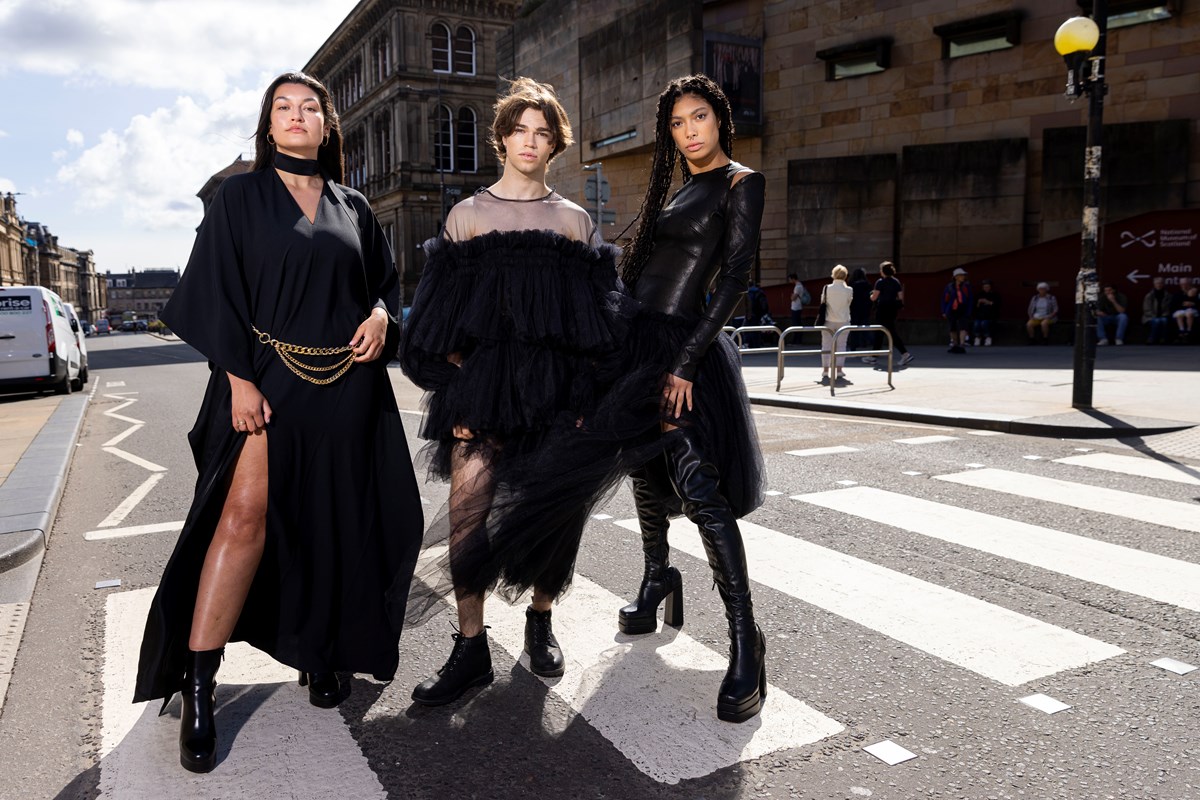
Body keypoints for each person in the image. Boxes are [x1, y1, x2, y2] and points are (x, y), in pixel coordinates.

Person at [134, 72, 423, 774]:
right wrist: (236, 378)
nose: (297, 117)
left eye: (310, 108)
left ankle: (320, 653)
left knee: (333, 521)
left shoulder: (354, 205)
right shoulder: (239, 197)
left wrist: (384, 316)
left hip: (347, 389)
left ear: (328, 126)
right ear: (269, 126)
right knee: (243, 520)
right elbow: (213, 291)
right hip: (262, 385)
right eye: (283, 108)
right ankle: (199, 684)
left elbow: (383, 284)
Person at [468, 74, 768, 723]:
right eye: (679, 124)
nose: (689, 132)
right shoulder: (682, 187)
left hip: (685, 353)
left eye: (700, 119)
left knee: (699, 485)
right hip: (635, 338)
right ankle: (657, 574)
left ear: (721, 120)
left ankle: (747, 639)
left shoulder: (743, 183)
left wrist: (685, 362)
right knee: (633, 465)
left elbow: (735, 278)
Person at [398, 78, 622, 707]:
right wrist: (466, 376)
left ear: (555, 144)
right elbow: (437, 316)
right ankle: (469, 646)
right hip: (484, 393)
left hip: (557, 391)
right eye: (520, 130)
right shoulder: (467, 216)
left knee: (554, 512)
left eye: (542, 132)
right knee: (469, 514)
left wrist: (589, 395)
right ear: (501, 138)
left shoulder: (574, 221)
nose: (530, 142)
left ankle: (541, 620)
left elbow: (597, 320)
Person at [868, 261, 913, 365]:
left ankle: (905, 354)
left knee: (888, 332)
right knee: (881, 332)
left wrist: (870, 295)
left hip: (882, 309)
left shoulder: (880, 282)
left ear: (883, 271)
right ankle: (873, 356)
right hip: (892, 310)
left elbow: (874, 297)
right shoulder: (896, 281)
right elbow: (900, 297)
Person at [819, 265, 853, 384]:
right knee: (841, 346)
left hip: (828, 320)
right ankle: (839, 370)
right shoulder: (849, 290)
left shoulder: (826, 288)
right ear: (845, 276)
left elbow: (823, 302)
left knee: (826, 345)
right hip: (843, 320)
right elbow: (849, 303)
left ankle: (825, 370)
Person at [941, 267, 972, 353]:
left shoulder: (966, 286)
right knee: (952, 327)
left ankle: (962, 345)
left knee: (963, 326)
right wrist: (944, 311)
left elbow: (970, 299)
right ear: (956, 277)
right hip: (952, 309)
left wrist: (968, 310)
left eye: (963, 275)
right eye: (961, 275)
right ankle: (954, 344)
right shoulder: (949, 287)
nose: (963, 277)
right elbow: (944, 299)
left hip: (963, 308)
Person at [1142, 276, 1174, 344]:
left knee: (1164, 320)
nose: (1159, 285)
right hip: (1150, 316)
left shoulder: (1168, 295)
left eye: (1161, 283)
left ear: (1163, 284)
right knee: (1156, 321)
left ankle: (1163, 339)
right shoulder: (1149, 295)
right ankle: (1152, 338)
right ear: (1154, 284)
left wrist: (1164, 315)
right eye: (1157, 283)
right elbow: (1146, 309)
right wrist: (1154, 315)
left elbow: (1169, 308)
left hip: (1163, 316)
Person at [848, 266, 873, 354]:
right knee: (866, 327)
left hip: (854, 309)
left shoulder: (851, 285)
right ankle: (871, 343)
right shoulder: (868, 285)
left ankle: (853, 347)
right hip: (865, 309)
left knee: (854, 329)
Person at [972, 278, 1001, 346]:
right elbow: (975, 306)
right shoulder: (979, 294)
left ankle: (988, 337)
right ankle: (977, 337)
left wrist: (988, 302)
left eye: (987, 287)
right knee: (976, 323)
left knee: (984, 323)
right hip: (980, 315)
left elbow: (998, 305)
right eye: (984, 287)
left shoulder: (995, 294)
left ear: (990, 287)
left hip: (990, 315)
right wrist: (979, 302)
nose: (986, 288)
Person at [1172, 276, 1196, 342]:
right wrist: (1183, 304)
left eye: (1186, 284)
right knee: (1179, 314)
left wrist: (1193, 304)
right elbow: (1174, 304)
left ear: (1190, 284)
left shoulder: (1196, 292)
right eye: (1182, 284)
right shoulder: (1177, 293)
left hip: (1193, 310)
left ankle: (1189, 331)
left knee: (1189, 313)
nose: (1184, 286)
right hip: (1180, 310)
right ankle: (1182, 331)